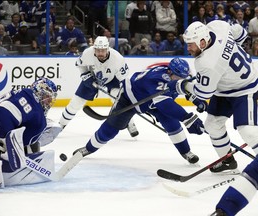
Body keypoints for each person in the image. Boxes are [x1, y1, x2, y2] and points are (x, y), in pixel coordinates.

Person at [165, 20, 258, 216]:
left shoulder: (206, 63)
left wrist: (180, 86)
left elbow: (201, 94)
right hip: (224, 89)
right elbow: (241, 34)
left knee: (247, 130)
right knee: (212, 124)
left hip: (247, 88)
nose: (188, 48)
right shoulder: (218, 26)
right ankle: (227, 161)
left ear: (203, 41)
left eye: (191, 44)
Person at [72, 57, 206, 164]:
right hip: (131, 98)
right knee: (111, 128)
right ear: (169, 72)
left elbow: (183, 87)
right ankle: (88, 148)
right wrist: (187, 118)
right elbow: (165, 104)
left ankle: (186, 152)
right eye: (178, 77)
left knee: (173, 125)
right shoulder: (156, 79)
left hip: (152, 101)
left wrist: (195, 99)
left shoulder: (178, 75)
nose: (180, 79)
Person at [0, 78, 59, 188]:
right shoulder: (37, 114)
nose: (49, 102)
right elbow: (4, 111)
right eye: (47, 97)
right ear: (39, 92)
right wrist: (6, 139)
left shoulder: (24, 93)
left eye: (51, 99)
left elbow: (4, 111)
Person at [59, 36, 139, 138]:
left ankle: (130, 123)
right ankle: (61, 124)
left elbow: (124, 80)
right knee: (76, 102)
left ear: (108, 49)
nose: (100, 53)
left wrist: (124, 95)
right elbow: (80, 65)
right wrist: (86, 77)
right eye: (98, 50)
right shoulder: (88, 53)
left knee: (121, 102)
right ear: (94, 49)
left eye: (103, 50)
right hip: (92, 79)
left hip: (112, 81)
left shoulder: (118, 59)